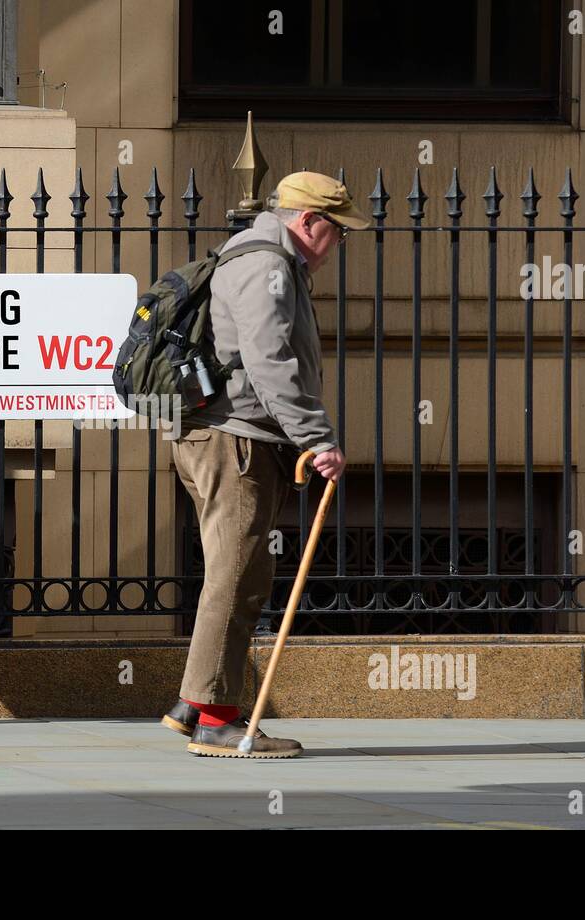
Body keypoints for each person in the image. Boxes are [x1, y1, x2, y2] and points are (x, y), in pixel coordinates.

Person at [161, 172, 370, 758]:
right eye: (338, 231)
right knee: (238, 577)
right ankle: (215, 720)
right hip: (238, 443)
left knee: (233, 573)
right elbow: (269, 359)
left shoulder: (261, 258)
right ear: (308, 222)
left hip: (228, 438)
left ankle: (195, 704)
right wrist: (317, 438)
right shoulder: (268, 265)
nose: (339, 244)